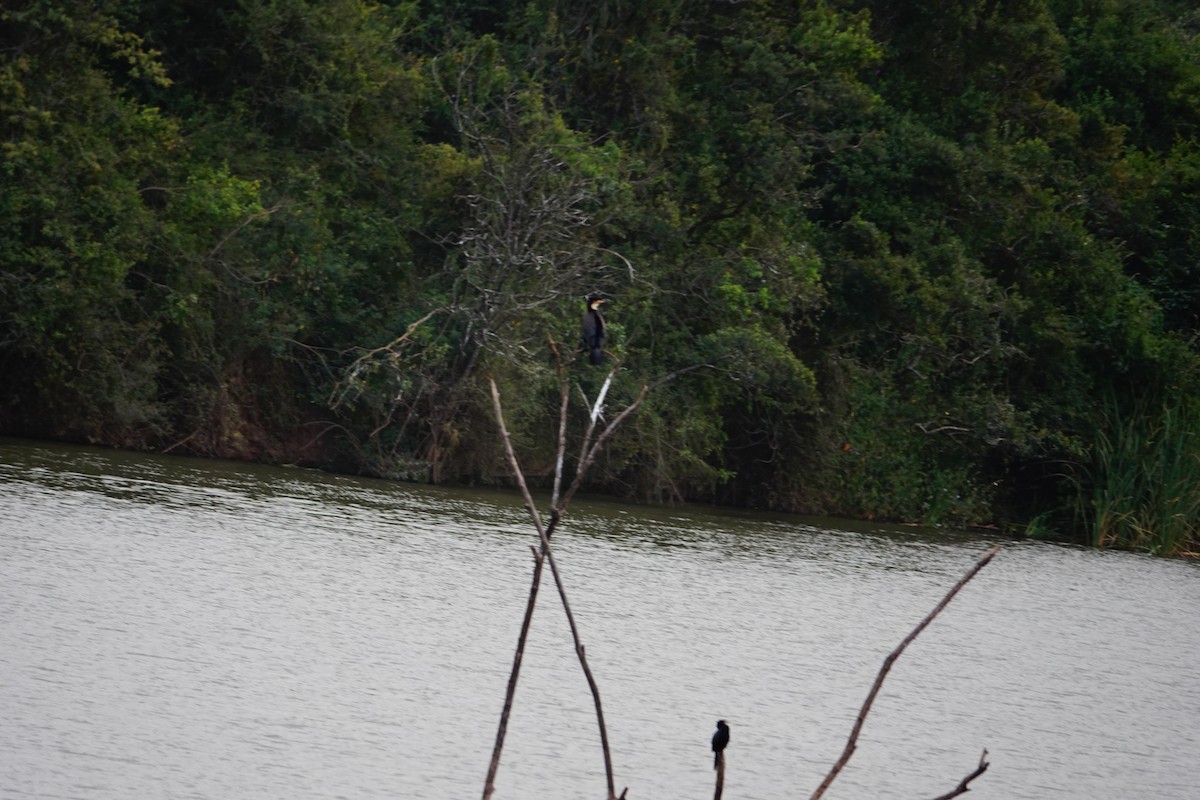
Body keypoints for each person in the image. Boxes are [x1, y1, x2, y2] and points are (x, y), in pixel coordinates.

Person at [580, 295, 606, 365]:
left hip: (594, 341)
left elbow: (585, 332)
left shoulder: (587, 316)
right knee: (596, 351)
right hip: (597, 341)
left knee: (595, 351)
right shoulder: (596, 316)